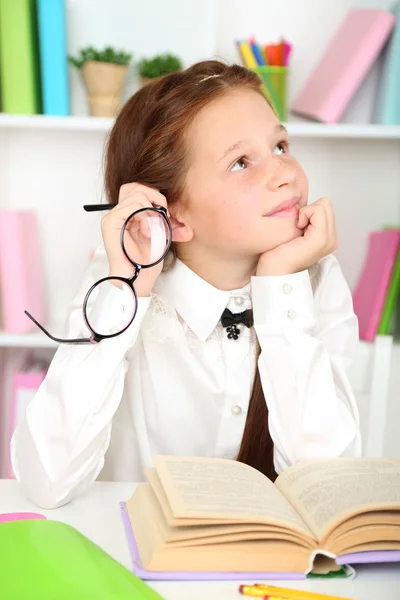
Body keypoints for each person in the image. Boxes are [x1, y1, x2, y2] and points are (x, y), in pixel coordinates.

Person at [11, 60, 361, 509]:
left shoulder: (314, 279)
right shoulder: (120, 280)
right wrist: (127, 292)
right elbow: (46, 482)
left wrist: (279, 288)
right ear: (172, 216)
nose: (286, 173)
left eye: (279, 145)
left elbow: (329, 489)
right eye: (240, 162)